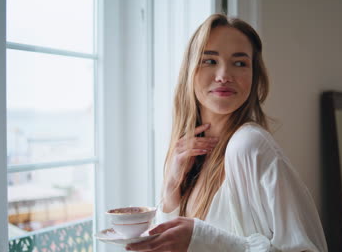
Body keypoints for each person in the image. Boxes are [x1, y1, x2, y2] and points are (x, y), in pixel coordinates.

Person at [126, 14, 327, 252]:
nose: (224, 76)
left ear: (254, 77)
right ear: (189, 72)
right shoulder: (188, 157)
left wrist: (203, 239)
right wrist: (171, 187)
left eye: (240, 63)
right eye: (209, 61)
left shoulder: (249, 145)